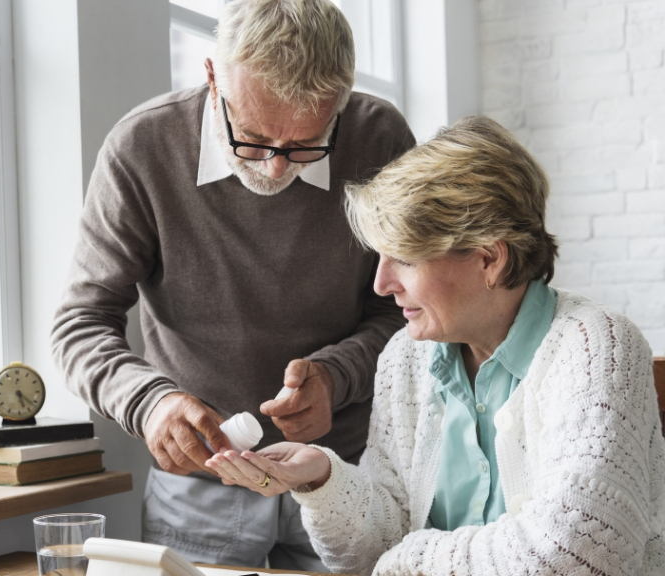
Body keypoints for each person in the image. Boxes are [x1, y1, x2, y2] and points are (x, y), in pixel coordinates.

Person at [207, 115, 665, 575]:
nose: (383, 284)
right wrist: (324, 478)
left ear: (488, 258)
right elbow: (376, 547)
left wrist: (410, 559)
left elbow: (578, 555)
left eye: (403, 257)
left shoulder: (597, 348)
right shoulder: (405, 356)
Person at [51, 0, 414, 570]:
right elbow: (79, 326)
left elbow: (408, 310)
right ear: (213, 76)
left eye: (304, 145)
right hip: (198, 488)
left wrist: (337, 377)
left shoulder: (380, 139)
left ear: (342, 100)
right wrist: (151, 404)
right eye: (252, 137)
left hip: (346, 474)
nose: (274, 169)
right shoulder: (142, 148)